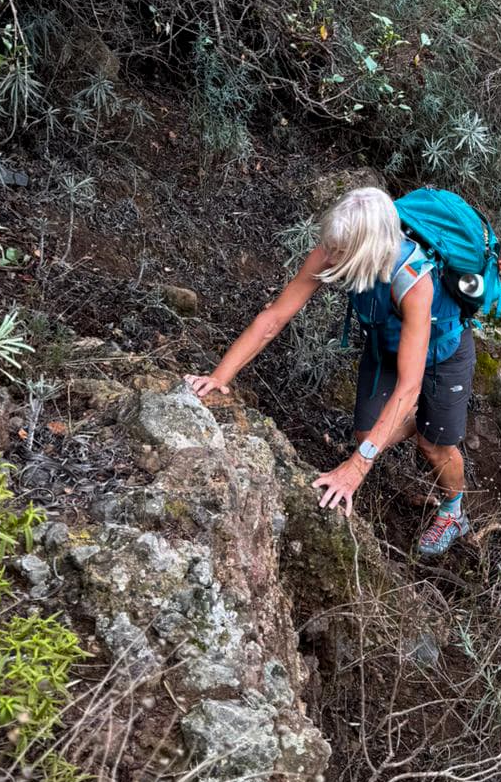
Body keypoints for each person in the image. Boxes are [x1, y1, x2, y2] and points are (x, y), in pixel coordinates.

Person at [185, 186, 474, 559]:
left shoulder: (414, 282)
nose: (331, 257)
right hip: (387, 343)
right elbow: (274, 318)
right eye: (332, 247)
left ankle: (453, 512)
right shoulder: (336, 247)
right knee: (367, 435)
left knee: (432, 445)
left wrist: (356, 468)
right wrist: (219, 377)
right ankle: (419, 420)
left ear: (367, 250)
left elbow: (409, 384)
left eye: (341, 252)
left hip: (442, 352)